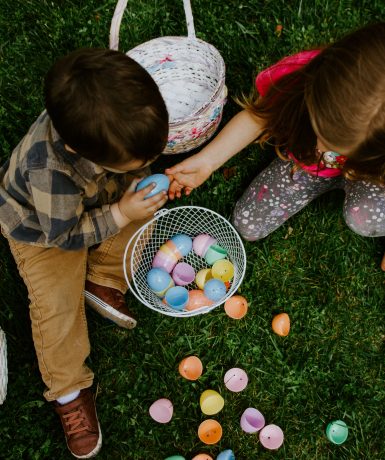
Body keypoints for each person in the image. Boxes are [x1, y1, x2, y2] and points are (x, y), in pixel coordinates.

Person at [0, 48, 169, 458]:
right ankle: (68, 389)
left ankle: (102, 278)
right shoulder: (50, 172)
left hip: (97, 199)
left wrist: (136, 190)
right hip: (43, 232)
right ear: (79, 150)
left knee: (147, 209)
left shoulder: (108, 125)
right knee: (56, 308)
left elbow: (128, 176)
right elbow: (67, 236)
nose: (148, 163)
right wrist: (121, 211)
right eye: (139, 159)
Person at [166, 22, 385, 270]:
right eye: (319, 131)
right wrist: (208, 161)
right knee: (248, 224)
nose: (321, 151)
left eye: (337, 148)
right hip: (305, 167)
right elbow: (258, 116)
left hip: (374, 177)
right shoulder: (301, 76)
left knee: (364, 219)